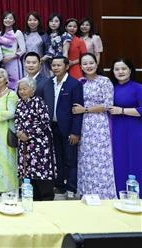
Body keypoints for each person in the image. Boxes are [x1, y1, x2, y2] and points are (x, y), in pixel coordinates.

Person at [71, 53, 116, 199]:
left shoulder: (104, 81)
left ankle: (104, 193)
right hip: (84, 125)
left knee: (101, 158)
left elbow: (108, 105)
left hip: (99, 124)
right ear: (81, 66)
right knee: (85, 158)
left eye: (91, 63)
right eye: (85, 64)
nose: (88, 66)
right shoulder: (80, 82)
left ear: (96, 64)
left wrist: (85, 109)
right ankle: (87, 192)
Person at [42, 56, 84, 199]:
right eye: (53, 65)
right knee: (57, 158)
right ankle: (59, 185)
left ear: (66, 66)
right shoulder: (49, 83)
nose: (55, 68)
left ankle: (71, 188)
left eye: (59, 65)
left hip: (68, 129)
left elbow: (78, 111)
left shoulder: (74, 84)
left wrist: (75, 132)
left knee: (70, 159)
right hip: (52, 127)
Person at [16, 77, 55, 201]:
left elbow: (44, 121)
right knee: (28, 171)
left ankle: (46, 198)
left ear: (32, 90)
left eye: (24, 89)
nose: (22, 91)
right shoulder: (19, 103)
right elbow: (16, 120)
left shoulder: (38, 101)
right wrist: (19, 133)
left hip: (40, 143)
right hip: (24, 144)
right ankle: (32, 198)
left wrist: (29, 134)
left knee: (41, 170)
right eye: (20, 89)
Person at [108, 58, 142, 193]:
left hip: (134, 130)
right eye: (117, 69)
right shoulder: (111, 88)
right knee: (119, 161)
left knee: (135, 160)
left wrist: (121, 111)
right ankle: (120, 194)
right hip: (116, 130)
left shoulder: (138, 87)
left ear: (130, 70)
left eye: (123, 68)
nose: (120, 72)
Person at [0, 68, 18, 194]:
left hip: (6, 129)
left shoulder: (11, 94)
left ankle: (9, 187)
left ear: (6, 79)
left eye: (0, 77)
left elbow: (12, 113)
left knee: (7, 158)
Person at [0, 11, 26, 90]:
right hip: (3, 63)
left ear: (14, 21)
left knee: (15, 83)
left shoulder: (17, 32)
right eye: (5, 18)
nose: (7, 20)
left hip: (14, 62)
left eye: (10, 18)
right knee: (4, 83)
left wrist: (10, 58)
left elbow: (23, 49)